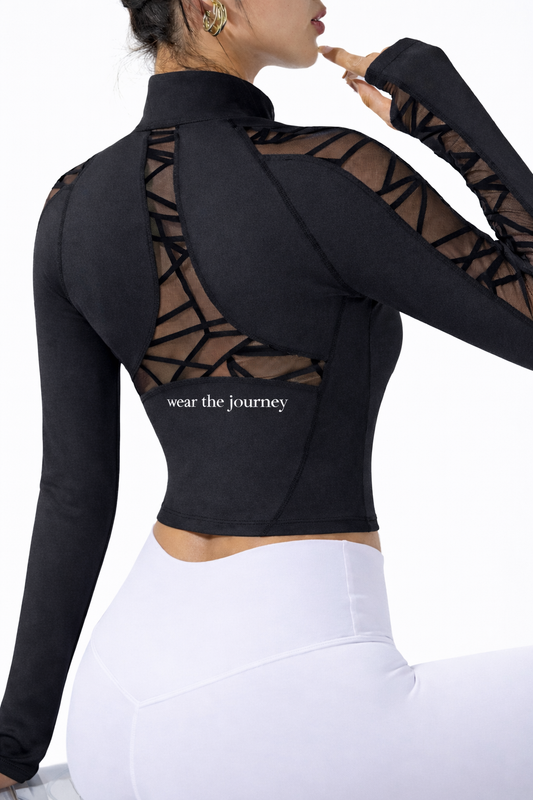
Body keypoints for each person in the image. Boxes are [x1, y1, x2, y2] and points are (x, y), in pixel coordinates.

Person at [1, 0, 532, 797]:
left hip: (115, 711)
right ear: (207, 5)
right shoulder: (328, 171)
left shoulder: (70, 201)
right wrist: (441, 106)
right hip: (281, 709)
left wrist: (13, 744)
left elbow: (73, 490)